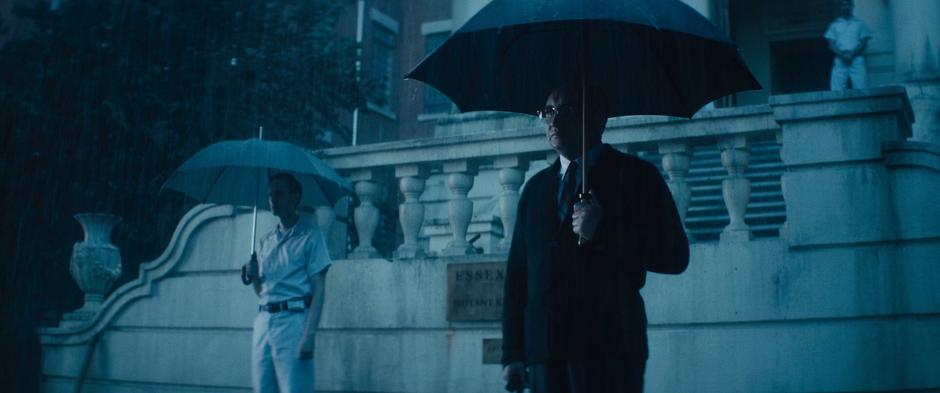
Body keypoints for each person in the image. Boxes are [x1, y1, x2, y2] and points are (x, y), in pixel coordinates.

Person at [501, 84, 689, 393]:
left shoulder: (637, 177)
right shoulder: (535, 189)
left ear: (599, 118)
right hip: (544, 354)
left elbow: (675, 256)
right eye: (548, 111)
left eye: (568, 110)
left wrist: (603, 230)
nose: (554, 120)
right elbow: (517, 277)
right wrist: (512, 354)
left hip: (610, 350)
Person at [241, 172, 331, 393]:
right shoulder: (264, 243)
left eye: (279, 194)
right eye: (270, 195)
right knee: (263, 389)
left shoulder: (311, 237)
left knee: (295, 389)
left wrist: (310, 336)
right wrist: (253, 276)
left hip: (293, 323)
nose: (273, 200)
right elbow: (262, 290)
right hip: (264, 321)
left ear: (295, 197)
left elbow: (319, 289)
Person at [825, 0, 872, 91]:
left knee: (861, 88)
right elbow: (831, 44)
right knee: (837, 90)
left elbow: (864, 42)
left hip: (856, 59)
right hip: (840, 59)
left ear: (852, 6)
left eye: (848, 5)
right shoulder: (834, 25)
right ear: (840, 7)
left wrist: (851, 54)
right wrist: (843, 55)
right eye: (843, 5)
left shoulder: (860, 24)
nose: (846, 7)